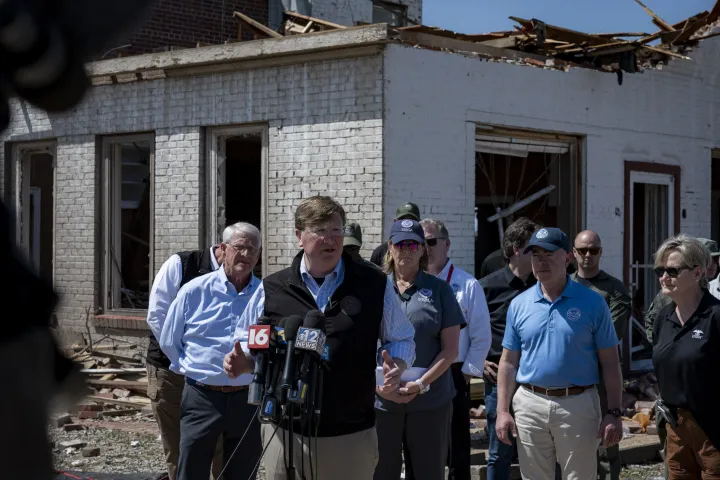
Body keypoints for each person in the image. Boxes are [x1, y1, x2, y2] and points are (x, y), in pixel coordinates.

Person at [224, 196, 416, 480]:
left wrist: (396, 367)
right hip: (284, 433)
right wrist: (244, 363)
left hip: (349, 436)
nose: (331, 238)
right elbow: (250, 348)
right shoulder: (272, 288)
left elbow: (402, 338)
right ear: (299, 236)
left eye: (337, 230)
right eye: (321, 230)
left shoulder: (372, 283)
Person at [495, 227, 624, 480]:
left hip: (577, 404)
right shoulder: (519, 304)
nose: (541, 261)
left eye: (549, 253)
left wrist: (615, 412)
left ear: (567, 257)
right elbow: (508, 362)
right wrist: (502, 411)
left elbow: (610, 363)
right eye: (535, 254)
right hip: (530, 403)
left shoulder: (592, 303)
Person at [160, 222, 263, 480]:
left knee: (242, 471)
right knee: (191, 470)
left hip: (247, 399)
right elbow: (170, 340)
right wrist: (197, 370)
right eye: (240, 247)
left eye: (253, 249)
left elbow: (266, 346)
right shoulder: (194, 290)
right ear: (223, 249)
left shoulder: (265, 294)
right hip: (201, 396)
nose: (247, 254)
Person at [374, 219, 464, 480]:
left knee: (427, 473)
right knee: (381, 472)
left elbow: (450, 351)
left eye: (414, 244)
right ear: (391, 247)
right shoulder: (375, 287)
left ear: (423, 249)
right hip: (383, 401)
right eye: (401, 243)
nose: (407, 250)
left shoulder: (440, 290)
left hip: (429, 401)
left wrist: (421, 384)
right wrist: (377, 384)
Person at [146, 232, 232, 480]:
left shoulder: (239, 278)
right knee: (180, 448)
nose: (247, 260)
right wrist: (184, 360)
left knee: (220, 446)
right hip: (170, 371)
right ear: (223, 248)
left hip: (213, 377)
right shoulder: (181, 265)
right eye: (241, 250)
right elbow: (157, 315)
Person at [421, 218, 491, 480]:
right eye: (421, 242)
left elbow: (481, 336)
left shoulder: (467, 284)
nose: (425, 247)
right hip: (419, 371)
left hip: (454, 373)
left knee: (456, 440)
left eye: (431, 241)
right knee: (422, 439)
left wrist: (466, 374)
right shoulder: (411, 283)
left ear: (447, 244)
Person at [650, 234, 720, 479]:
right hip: (675, 429)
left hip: (712, 429)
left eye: (672, 270)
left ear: (698, 273)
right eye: (660, 270)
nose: (664, 277)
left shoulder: (716, 317)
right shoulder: (662, 319)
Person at [478, 217, 537, 480]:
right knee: (499, 450)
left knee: (539, 449)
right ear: (516, 249)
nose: (539, 254)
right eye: (532, 248)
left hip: (537, 379)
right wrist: (478, 361)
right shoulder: (487, 287)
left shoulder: (544, 286)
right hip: (499, 379)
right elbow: (467, 331)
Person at [569, 230, 630, 480]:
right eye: (582, 250)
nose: (587, 255)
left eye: (593, 250)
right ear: (573, 253)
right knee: (573, 441)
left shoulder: (614, 289)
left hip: (604, 376)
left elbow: (611, 331)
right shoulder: (564, 285)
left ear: (600, 252)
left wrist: (577, 337)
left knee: (606, 442)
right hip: (572, 376)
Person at [370, 202, 420, 268]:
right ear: (395, 221)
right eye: (403, 220)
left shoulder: (423, 251)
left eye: (412, 221)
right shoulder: (380, 252)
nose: (407, 224)